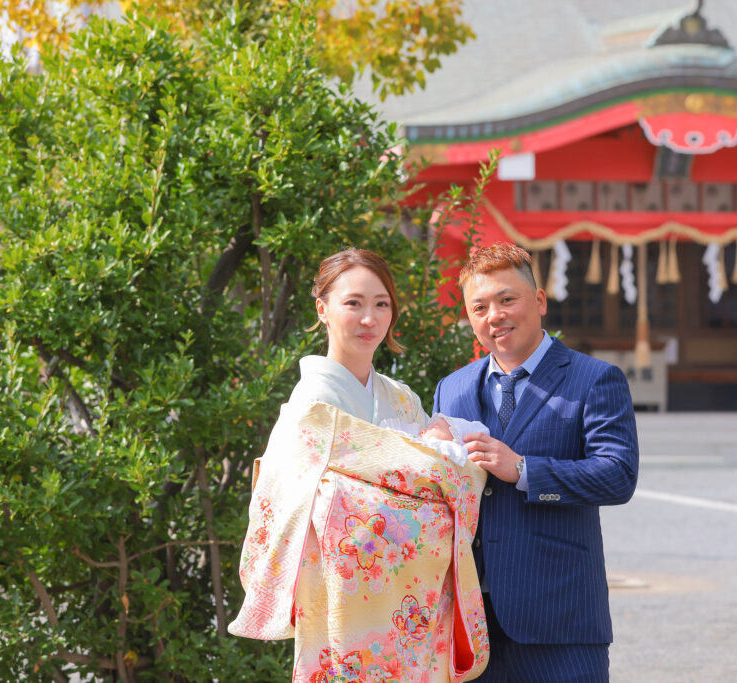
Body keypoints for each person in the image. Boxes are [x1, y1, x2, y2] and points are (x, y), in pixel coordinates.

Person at [229, 248, 489, 682]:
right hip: (339, 609)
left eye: (381, 304)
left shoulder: (401, 398)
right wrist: (424, 480)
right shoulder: (309, 408)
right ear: (323, 309)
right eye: (353, 303)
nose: (369, 318)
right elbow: (290, 508)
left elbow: (458, 473)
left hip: (414, 614)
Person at [433, 242, 638, 682]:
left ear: (539, 301)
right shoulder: (450, 389)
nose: (495, 316)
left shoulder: (594, 379)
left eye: (508, 299)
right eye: (480, 306)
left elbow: (618, 475)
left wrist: (525, 470)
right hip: (468, 623)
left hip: (559, 619)